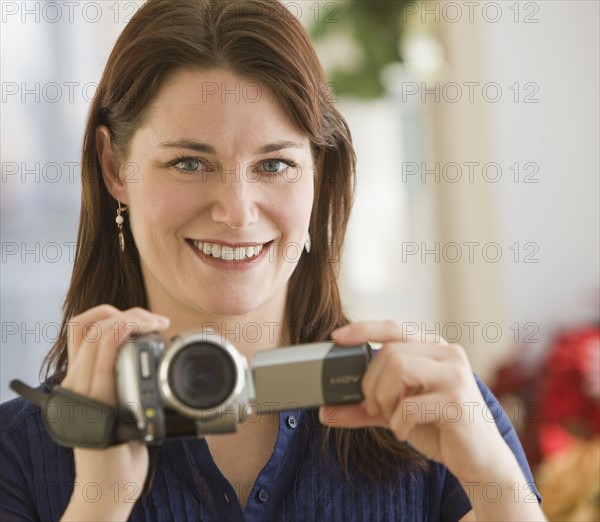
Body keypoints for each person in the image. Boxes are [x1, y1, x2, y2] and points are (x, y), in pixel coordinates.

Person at [0, 0, 546, 520]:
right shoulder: (19, 456)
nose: (237, 211)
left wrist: (494, 483)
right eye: (189, 163)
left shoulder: (437, 410)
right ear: (115, 168)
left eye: (275, 164)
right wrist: (99, 503)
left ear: (318, 173)